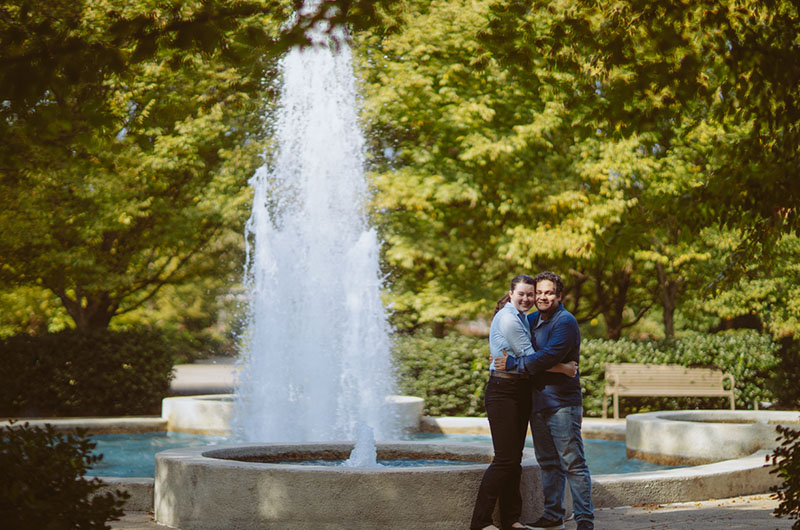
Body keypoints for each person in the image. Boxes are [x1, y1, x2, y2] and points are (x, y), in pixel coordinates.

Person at [471, 274, 578, 530]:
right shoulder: (509, 318)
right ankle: (480, 522)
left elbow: (531, 358)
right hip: (502, 391)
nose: (528, 299)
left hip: (518, 390)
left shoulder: (524, 317)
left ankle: (511, 519)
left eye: (531, 295)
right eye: (522, 294)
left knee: (513, 459)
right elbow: (532, 359)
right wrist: (564, 368)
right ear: (511, 293)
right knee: (505, 460)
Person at [493, 271, 594, 530]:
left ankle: (584, 519)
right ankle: (552, 515)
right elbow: (527, 350)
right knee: (547, 462)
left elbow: (547, 357)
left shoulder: (565, 322)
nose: (542, 297)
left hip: (562, 403)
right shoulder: (533, 318)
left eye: (548, 292)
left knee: (572, 461)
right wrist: (561, 367)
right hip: (537, 401)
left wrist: (515, 363)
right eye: (539, 292)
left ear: (559, 295)